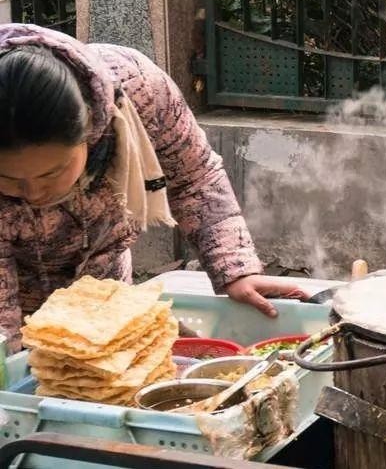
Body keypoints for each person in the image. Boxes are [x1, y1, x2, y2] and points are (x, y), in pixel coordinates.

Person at [0, 23, 306, 349]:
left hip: (106, 292)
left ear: (91, 126)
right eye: (7, 178)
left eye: (51, 172)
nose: (33, 194)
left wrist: (236, 268)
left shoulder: (136, 90)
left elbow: (194, 176)